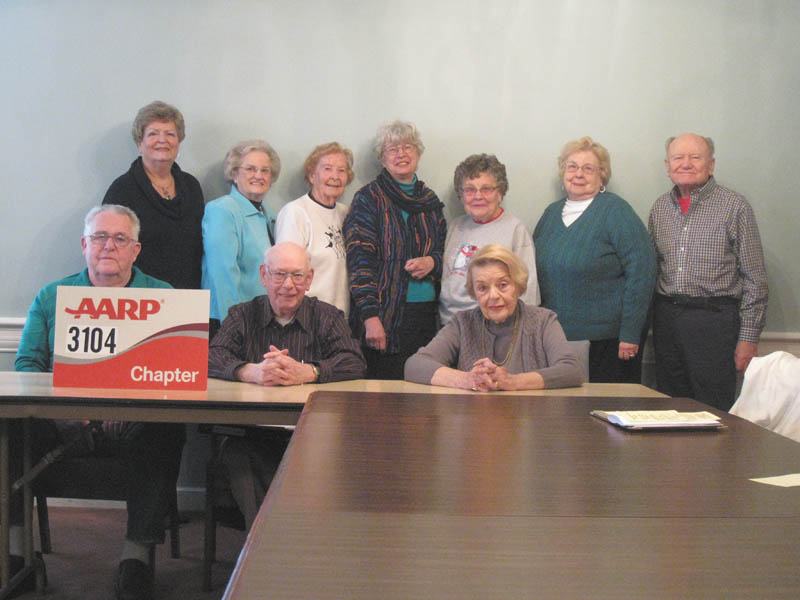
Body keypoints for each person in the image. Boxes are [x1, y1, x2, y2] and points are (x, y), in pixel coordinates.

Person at [14, 205, 185, 600]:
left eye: (120, 239)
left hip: (136, 427)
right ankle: (15, 552)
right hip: (64, 425)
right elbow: (27, 365)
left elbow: (174, 372)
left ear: (136, 250)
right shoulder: (52, 296)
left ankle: (136, 557)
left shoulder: (164, 297)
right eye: (99, 237)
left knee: (166, 428)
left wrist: (127, 410)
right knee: (10, 427)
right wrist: (67, 413)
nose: (109, 246)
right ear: (84, 245)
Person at [208, 242, 366, 526]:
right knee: (236, 456)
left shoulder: (328, 317)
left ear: (310, 279)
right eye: (279, 275)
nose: (288, 285)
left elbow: (354, 361)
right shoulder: (241, 315)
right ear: (263, 275)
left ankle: (288, 543)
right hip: (252, 434)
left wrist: (309, 372)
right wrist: (250, 372)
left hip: (312, 434)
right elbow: (211, 356)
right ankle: (264, 545)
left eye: (297, 276)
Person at [648, 133, 768, 410]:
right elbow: (653, 269)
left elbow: (755, 280)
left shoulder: (734, 206)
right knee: (670, 404)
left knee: (713, 409)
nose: (686, 164)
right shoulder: (659, 209)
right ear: (668, 166)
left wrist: (748, 338)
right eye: (678, 158)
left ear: (711, 164)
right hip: (667, 319)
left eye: (695, 157)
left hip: (715, 321)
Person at [534, 137, 656, 384]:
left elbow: (643, 272)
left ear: (602, 175)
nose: (579, 174)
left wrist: (630, 333)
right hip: (557, 339)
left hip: (608, 342)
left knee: (607, 415)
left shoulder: (615, 211)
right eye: (572, 166)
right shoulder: (550, 214)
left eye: (588, 168)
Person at [344, 120, 447, 379]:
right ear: (382, 158)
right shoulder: (368, 199)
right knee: (385, 396)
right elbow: (359, 262)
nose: (401, 154)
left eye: (408, 147)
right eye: (392, 149)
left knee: (421, 393)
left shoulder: (430, 201)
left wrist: (433, 263)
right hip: (383, 315)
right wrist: (370, 317)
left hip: (426, 316)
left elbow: (448, 253)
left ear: (419, 153)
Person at [405, 244, 583, 391]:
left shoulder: (543, 321)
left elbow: (571, 370)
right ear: (474, 292)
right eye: (482, 288)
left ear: (518, 285)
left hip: (530, 424)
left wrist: (513, 381)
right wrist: (468, 380)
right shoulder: (462, 323)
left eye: (503, 285)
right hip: (475, 424)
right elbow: (415, 365)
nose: (493, 296)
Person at [103, 100, 204, 290]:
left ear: (178, 142)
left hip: (188, 300)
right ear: (140, 143)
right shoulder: (122, 190)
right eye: (153, 133)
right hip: (139, 300)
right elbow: (109, 252)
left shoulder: (192, 187)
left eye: (170, 134)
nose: (162, 140)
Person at [440, 153, 539, 325]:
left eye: (486, 189)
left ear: (500, 193)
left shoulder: (515, 229)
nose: (478, 196)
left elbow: (528, 289)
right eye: (470, 190)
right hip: (450, 324)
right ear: (461, 195)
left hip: (492, 326)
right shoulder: (455, 227)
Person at [202, 139, 280, 339]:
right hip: (230, 323)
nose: (258, 176)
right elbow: (222, 274)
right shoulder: (223, 210)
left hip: (263, 321)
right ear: (235, 174)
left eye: (265, 170)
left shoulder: (270, 216)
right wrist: (234, 327)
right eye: (250, 169)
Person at [274, 142, 353, 315]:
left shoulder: (346, 213)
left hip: (341, 321)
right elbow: (287, 275)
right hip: (308, 321)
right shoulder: (295, 212)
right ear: (312, 176)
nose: (335, 176)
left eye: (342, 170)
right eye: (327, 169)